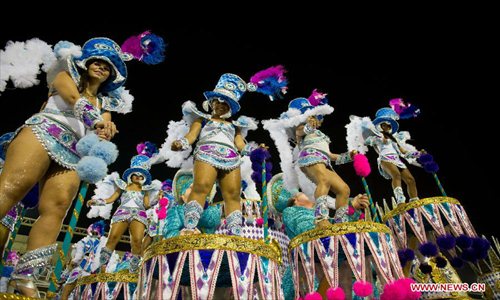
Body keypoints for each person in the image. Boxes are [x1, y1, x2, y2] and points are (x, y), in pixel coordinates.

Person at [0, 33, 164, 296]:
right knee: (11, 189)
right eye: (97, 61)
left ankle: (24, 276)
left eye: (108, 66)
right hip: (44, 131)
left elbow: (104, 126)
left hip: (73, 151)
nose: (102, 67)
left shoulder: (107, 103)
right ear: (85, 63)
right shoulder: (65, 73)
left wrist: (106, 131)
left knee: (57, 207)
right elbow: (75, 100)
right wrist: (96, 120)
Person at [170, 73, 269, 236]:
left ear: (231, 108)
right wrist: (182, 143)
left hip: (231, 159)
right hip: (206, 153)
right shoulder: (201, 120)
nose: (221, 105)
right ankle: (189, 227)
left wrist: (254, 152)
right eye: (218, 101)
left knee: (233, 195)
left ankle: (235, 233)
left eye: (226, 103)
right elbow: (192, 136)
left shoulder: (235, 126)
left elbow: (240, 144)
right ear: (212, 102)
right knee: (201, 187)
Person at [263, 90, 356, 228]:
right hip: (309, 158)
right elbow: (299, 133)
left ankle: (340, 222)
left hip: (324, 162)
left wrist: (349, 156)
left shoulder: (320, 135)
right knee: (323, 181)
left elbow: (330, 156)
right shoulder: (300, 128)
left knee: (344, 189)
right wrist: (308, 126)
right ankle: (321, 219)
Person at [87, 155, 162, 274]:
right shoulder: (122, 186)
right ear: (131, 175)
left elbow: (147, 205)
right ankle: (102, 270)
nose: (138, 177)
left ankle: (134, 272)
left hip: (139, 214)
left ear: (144, 178)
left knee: (137, 241)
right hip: (122, 212)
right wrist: (96, 201)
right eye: (135, 174)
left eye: (140, 175)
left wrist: (157, 200)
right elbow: (110, 199)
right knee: (113, 238)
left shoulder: (146, 190)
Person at [365, 107, 422, 204]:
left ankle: (414, 202)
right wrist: (382, 138)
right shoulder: (375, 138)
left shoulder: (394, 139)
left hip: (397, 159)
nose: (387, 127)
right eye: (384, 125)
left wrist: (419, 154)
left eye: (388, 126)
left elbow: (404, 152)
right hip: (385, 158)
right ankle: (400, 201)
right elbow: (368, 142)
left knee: (410, 179)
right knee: (396, 175)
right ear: (380, 126)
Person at [60, 221, 107, 300]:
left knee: (66, 291)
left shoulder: (83, 242)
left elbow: (77, 259)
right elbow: (103, 264)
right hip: (93, 275)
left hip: (79, 271)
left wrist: (65, 274)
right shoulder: (103, 245)